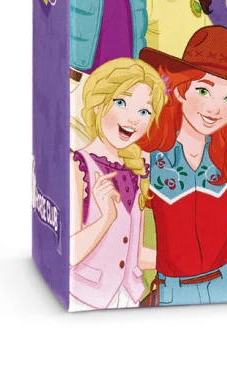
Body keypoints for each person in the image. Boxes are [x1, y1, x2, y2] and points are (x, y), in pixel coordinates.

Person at [139, 27, 227, 305]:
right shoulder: (151, 155)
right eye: (204, 90)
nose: (215, 109)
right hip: (173, 291)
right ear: (180, 90)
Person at [69, 58, 166, 309]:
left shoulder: (137, 170)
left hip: (128, 298)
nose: (132, 120)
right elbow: (69, 253)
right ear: (97, 104)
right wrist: (106, 218)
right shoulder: (78, 164)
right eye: (121, 103)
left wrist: (189, 262)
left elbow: (136, 254)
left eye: (144, 112)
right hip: (84, 299)